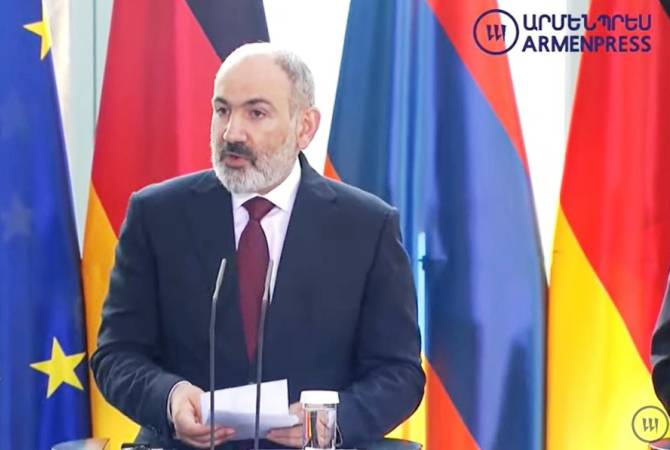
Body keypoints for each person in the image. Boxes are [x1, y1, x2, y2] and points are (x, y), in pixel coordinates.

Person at [91, 43, 424, 449]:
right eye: (222, 110)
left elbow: (400, 373)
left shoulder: (367, 226)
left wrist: (334, 420)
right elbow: (116, 355)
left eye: (256, 113)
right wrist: (170, 398)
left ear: (305, 127)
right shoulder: (157, 214)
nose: (231, 133)